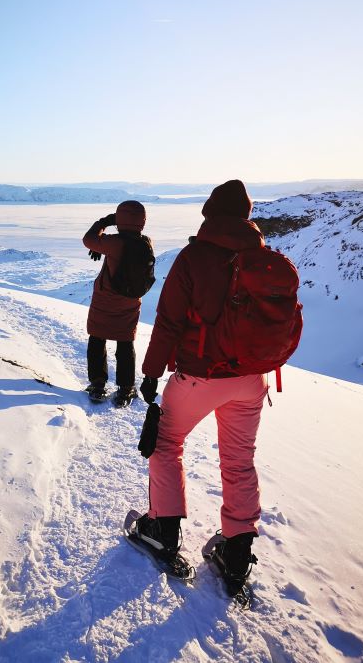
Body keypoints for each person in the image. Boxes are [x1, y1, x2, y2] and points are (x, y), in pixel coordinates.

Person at [135, 179, 268, 595]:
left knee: (166, 443)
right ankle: (237, 550)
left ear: (209, 213)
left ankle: (163, 528)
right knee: (239, 459)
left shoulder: (194, 256)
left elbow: (170, 319)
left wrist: (152, 372)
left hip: (202, 375)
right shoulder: (261, 257)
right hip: (251, 379)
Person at [83, 200, 151, 407]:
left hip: (105, 301)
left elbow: (89, 240)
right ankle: (126, 388)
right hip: (130, 303)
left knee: (97, 340)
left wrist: (105, 222)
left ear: (120, 219)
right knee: (125, 344)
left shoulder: (113, 243)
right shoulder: (146, 242)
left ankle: (97, 385)